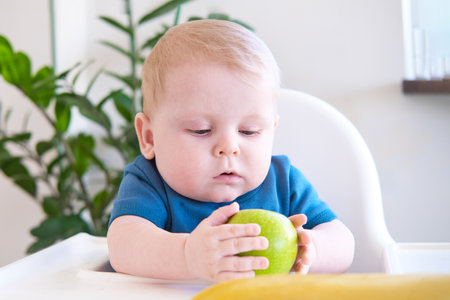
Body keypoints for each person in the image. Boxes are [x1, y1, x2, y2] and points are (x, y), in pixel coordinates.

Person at [107, 19, 354, 282]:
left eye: (249, 131)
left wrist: (311, 249)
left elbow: (344, 243)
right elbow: (122, 245)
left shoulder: (283, 182)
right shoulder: (150, 183)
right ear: (149, 137)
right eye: (201, 130)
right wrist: (186, 256)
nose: (229, 148)